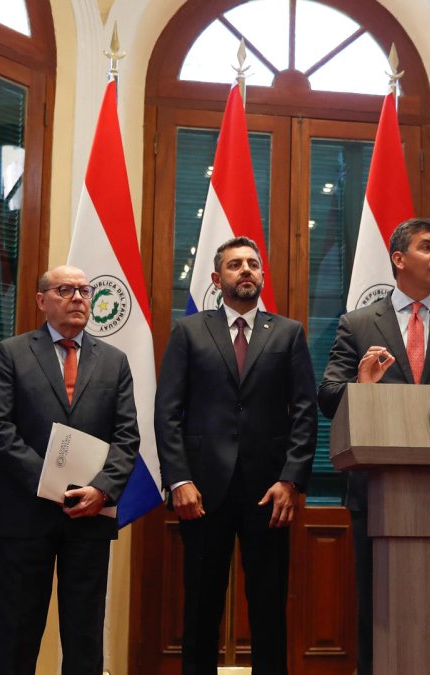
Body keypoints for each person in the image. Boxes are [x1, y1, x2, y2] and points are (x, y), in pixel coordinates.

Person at [317, 217, 430, 675]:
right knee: (379, 605)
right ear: (399, 259)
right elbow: (328, 397)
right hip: (377, 487)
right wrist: (362, 385)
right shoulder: (357, 324)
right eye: (427, 247)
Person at [155, 237, 317, 675]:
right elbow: (167, 411)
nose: (245, 270)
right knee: (201, 606)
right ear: (216, 278)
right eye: (234, 265)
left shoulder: (288, 333)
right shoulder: (189, 331)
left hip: (269, 493)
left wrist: (291, 480)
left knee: (268, 606)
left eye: (252, 264)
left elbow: (304, 412)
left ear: (262, 276)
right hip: (202, 492)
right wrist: (179, 481)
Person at [0, 264, 140, 674]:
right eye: (66, 290)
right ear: (41, 301)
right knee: (17, 633)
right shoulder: (11, 352)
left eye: (85, 291)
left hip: (89, 515)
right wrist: (50, 482)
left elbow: (127, 437)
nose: (78, 298)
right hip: (24, 515)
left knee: (84, 636)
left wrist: (102, 490)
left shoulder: (114, 361)